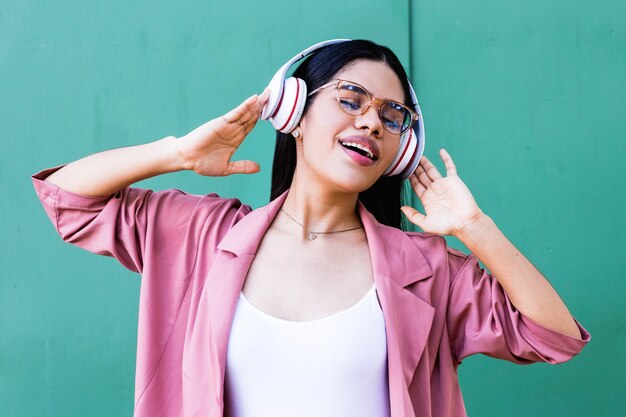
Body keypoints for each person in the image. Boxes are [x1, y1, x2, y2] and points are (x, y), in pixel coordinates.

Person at [32, 39, 589, 417]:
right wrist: (176, 152)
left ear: (400, 148)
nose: (371, 120)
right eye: (352, 99)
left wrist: (474, 227)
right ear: (293, 111)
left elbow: (553, 335)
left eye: (392, 116)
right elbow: (69, 200)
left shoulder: (423, 269)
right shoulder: (203, 236)